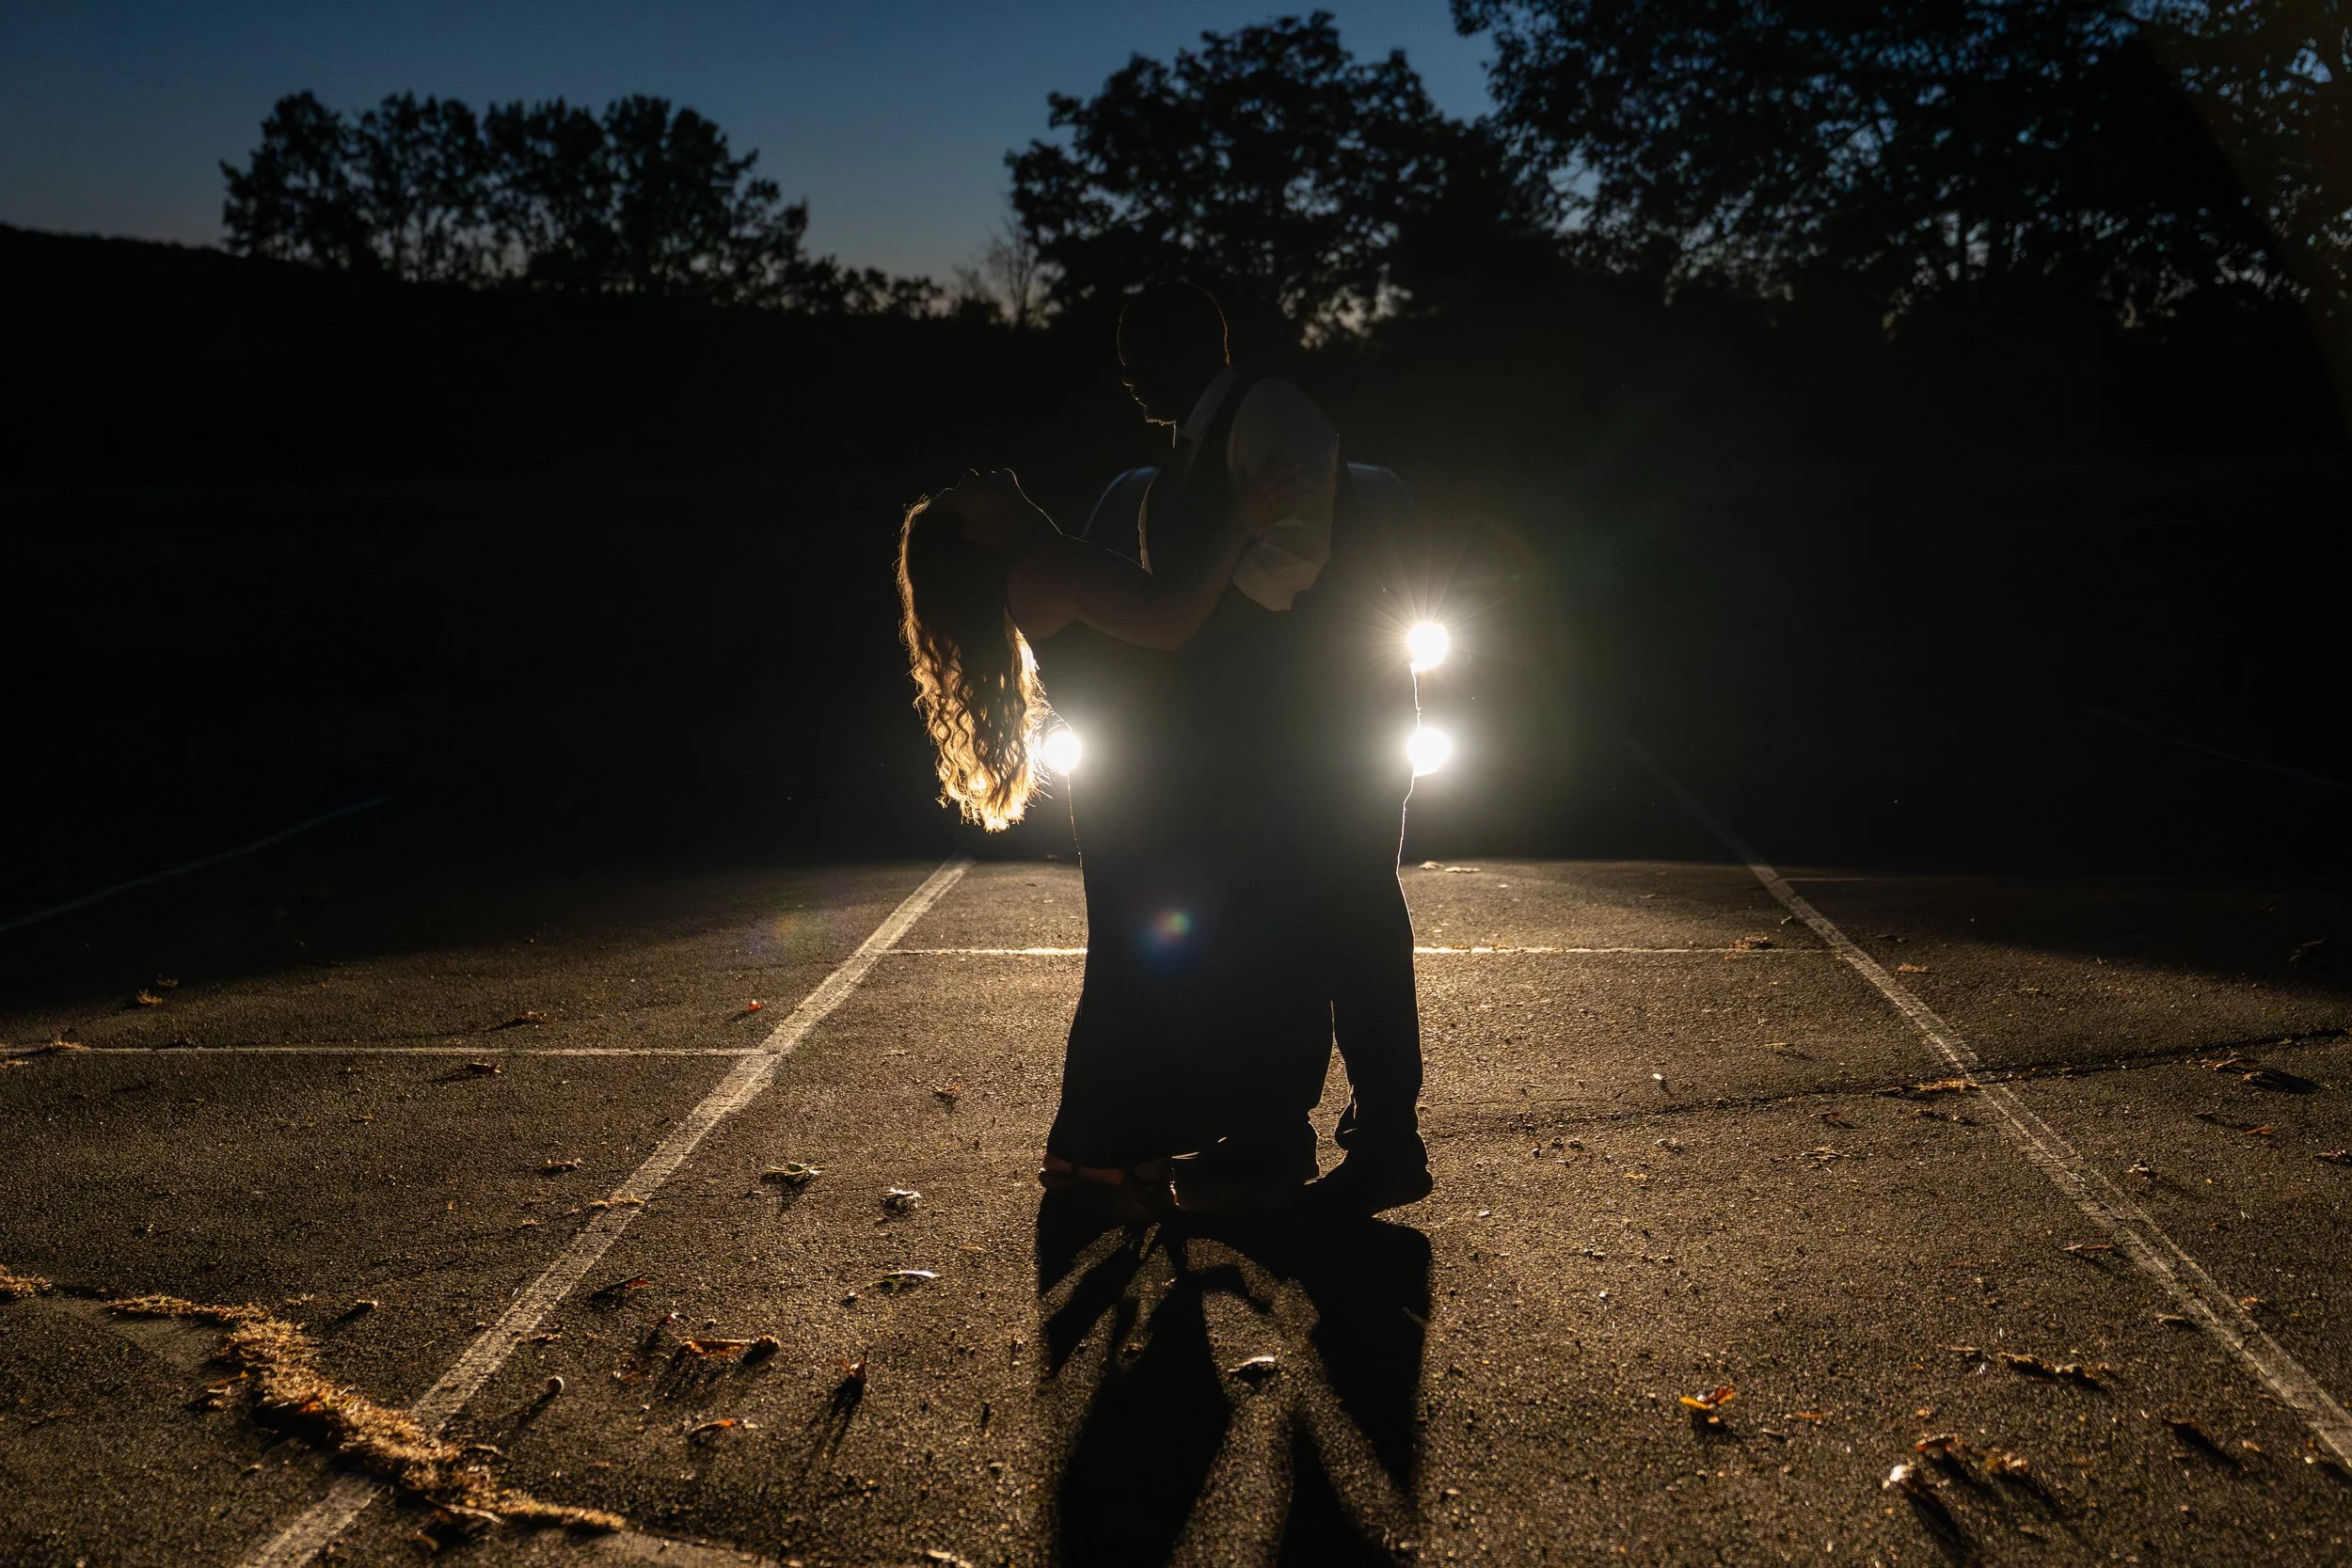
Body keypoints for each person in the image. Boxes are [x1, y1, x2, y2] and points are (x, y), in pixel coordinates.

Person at [896, 462, 1314, 1216]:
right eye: (966, 490)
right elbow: (1173, 618)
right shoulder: (1046, 567)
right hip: (1156, 792)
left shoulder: (1042, 561)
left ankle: (1108, 1151)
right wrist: (1242, 522)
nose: (979, 473)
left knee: (1136, 968)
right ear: (978, 532)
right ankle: (1104, 1153)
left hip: (1138, 790)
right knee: (1146, 971)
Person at [1104, 280, 1433, 1217]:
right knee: (1275, 937)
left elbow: (1291, 568)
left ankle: (1385, 1141)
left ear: (1187, 347)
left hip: (1325, 727)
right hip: (1266, 737)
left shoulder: (1270, 411)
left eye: (1137, 358)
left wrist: (1178, 636)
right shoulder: (1197, 444)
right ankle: (1268, 1133)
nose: (1126, 380)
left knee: (1353, 925)